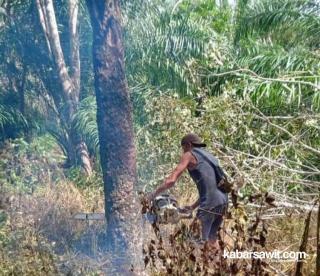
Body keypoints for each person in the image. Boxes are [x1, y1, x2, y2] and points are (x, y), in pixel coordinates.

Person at [148, 133, 228, 252]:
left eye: (183, 148)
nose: (183, 152)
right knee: (211, 239)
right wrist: (192, 207)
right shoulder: (210, 157)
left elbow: (171, 180)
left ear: (188, 145)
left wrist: (152, 195)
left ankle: (203, 268)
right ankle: (221, 268)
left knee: (195, 241)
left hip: (210, 203)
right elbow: (212, 188)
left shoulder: (189, 154)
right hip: (223, 202)